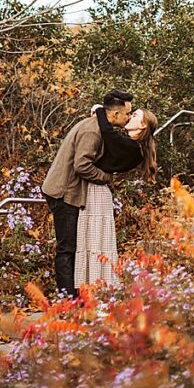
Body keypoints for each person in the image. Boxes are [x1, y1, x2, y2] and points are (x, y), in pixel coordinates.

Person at [40, 89, 133, 297]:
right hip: (63, 192)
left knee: (70, 247)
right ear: (115, 114)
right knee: (67, 248)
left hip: (69, 191)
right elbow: (82, 165)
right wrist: (106, 178)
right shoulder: (93, 131)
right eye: (127, 113)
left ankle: (73, 297)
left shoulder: (98, 126)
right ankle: (67, 301)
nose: (128, 117)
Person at [74, 104, 159, 289]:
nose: (129, 117)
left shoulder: (133, 148)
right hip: (96, 189)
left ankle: (96, 288)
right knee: (92, 240)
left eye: (134, 115)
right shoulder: (132, 146)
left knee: (95, 241)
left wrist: (99, 111)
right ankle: (91, 288)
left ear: (143, 125)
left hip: (96, 190)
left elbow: (108, 134)